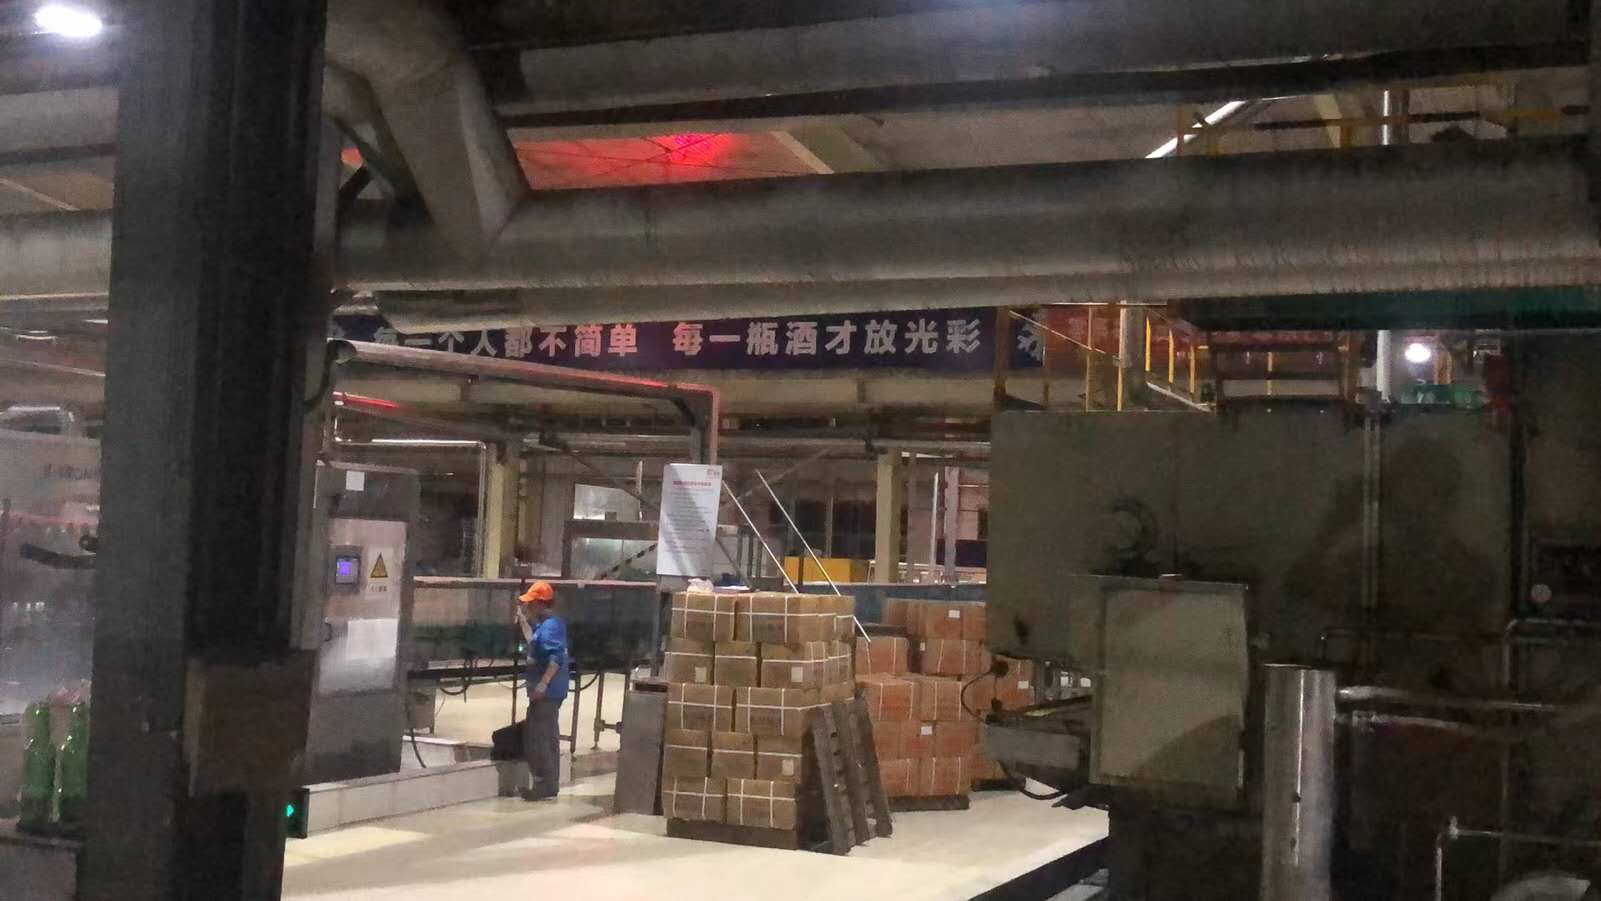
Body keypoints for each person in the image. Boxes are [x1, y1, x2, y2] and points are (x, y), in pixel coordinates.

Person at [516, 581, 567, 801]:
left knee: (538, 738)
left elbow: (556, 659)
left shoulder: (550, 627)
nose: (528, 607)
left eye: (530, 604)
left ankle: (543, 784)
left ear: (540, 603)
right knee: (548, 735)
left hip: (547, 693)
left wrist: (542, 684)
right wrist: (523, 621)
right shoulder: (547, 626)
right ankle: (550, 784)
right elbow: (535, 643)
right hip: (550, 692)